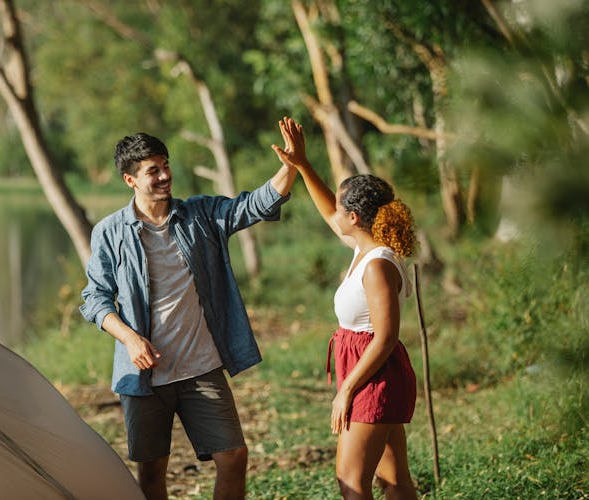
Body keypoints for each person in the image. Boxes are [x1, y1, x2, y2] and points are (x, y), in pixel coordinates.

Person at [79, 119, 299, 499]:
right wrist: (131, 339)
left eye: (166, 165)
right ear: (130, 180)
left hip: (202, 368)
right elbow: (95, 298)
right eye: (153, 171)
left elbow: (255, 205)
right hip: (143, 377)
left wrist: (291, 165)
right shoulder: (109, 232)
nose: (165, 176)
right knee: (151, 473)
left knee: (233, 456)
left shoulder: (201, 215)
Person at [273, 120, 418, 499]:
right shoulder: (365, 248)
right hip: (369, 371)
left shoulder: (378, 265)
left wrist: (347, 390)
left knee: (352, 482)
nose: (333, 212)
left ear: (354, 217)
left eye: (340, 207)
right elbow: (329, 213)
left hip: (374, 374)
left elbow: (385, 338)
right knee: (395, 480)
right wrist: (303, 164)